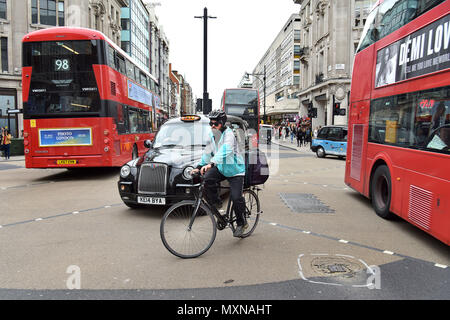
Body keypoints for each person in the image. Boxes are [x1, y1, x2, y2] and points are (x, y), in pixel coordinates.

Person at [191, 110, 248, 238]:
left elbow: (225, 150)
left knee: (236, 197)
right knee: (207, 178)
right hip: (222, 168)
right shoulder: (212, 136)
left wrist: (212, 164)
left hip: (235, 171)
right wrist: (199, 166)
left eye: (215, 124)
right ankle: (217, 204)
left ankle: (241, 223)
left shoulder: (229, 135)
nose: (212, 126)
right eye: (210, 124)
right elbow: (207, 153)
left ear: (222, 123)